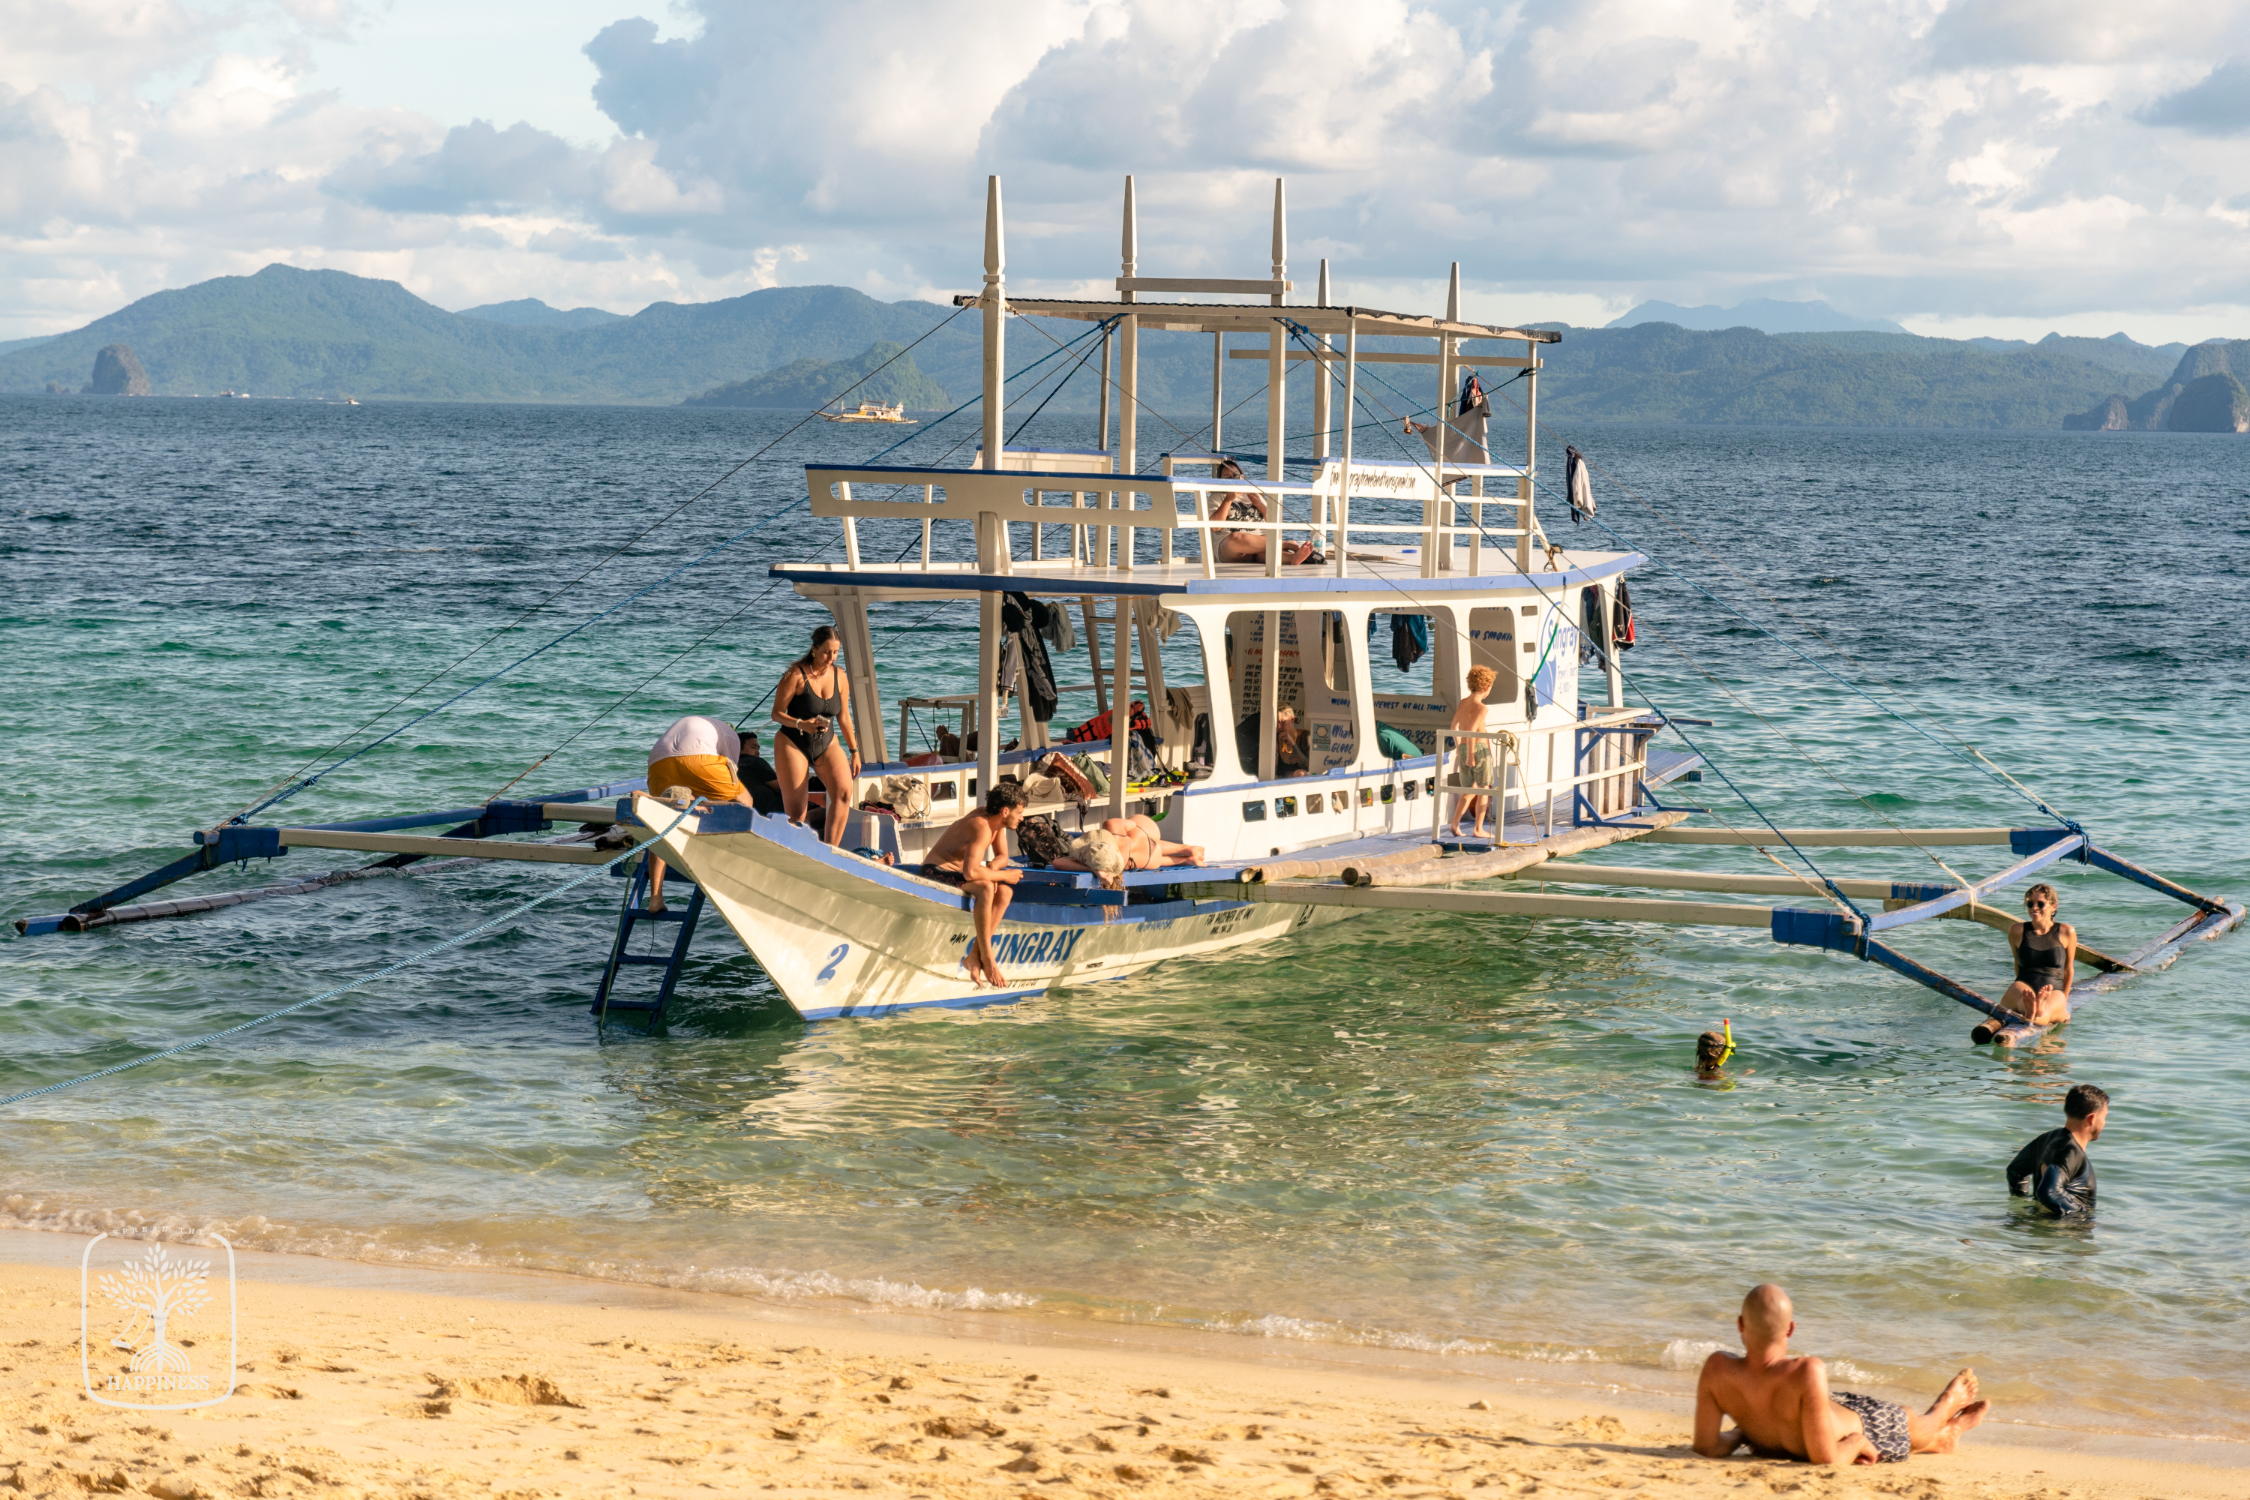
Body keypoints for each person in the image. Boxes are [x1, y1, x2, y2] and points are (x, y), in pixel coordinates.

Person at [1693, 1284, 1987, 1466]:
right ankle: (1945, 1418)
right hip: (1855, 1426)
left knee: (1907, 1420)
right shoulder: (1806, 1370)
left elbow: (1706, 1446)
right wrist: (1858, 1441)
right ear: (1791, 1329)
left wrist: (1739, 1433)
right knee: (1906, 1419)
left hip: (1836, 1411)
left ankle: (1945, 1421)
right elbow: (1827, 1458)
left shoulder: (1717, 1370)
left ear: (1740, 1324)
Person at [919, 781, 1028, 987]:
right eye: (1020, 812)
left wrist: (995, 868)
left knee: (1004, 893)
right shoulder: (982, 826)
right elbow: (970, 873)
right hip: (935, 872)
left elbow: (1003, 856)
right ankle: (987, 958)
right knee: (986, 887)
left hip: (958, 873)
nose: (1022, 818)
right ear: (1006, 811)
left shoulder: (997, 822)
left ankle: (973, 957)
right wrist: (1002, 876)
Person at [643, 713, 756, 912]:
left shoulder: (707, 726)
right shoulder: (731, 736)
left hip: (658, 763)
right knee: (744, 800)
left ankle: (655, 899)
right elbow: (731, 775)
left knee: (662, 825)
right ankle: (732, 868)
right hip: (699, 760)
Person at [771, 625, 863, 846]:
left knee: (843, 792)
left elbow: (844, 717)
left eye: (835, 652)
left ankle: (831, 851)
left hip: (827, 743)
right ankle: (793, 853)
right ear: (814, 648)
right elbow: (776, 714)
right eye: (826, 652)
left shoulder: (839, 676)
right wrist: (802, 724)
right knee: (797, 814)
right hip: (793, 743)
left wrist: (854, 751)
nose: (831, 657)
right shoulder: (795, 675)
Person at [1980, 883, 2075, 1038]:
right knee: (2019, 999)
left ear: (2053, 906)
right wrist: (2019, 984)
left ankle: (2036, 1009)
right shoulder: (2017, 930)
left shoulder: (2066, 932)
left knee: (2046, 1012)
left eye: (2040, 904)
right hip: (2024, 983)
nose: (2034, 908)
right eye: (2030, 904)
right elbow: (2017, 963)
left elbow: (2068, 969)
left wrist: (2064, 1000)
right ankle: (2032, 1009)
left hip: (2053, 988)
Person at [2007, 1082, 2107, 1217]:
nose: (2104, 1123)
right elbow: (2049, 1191)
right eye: (2104, 1117)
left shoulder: (2048, 1138)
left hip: (2045, 1231)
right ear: (2092, 1118)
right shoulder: (2072, 1152)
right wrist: (2079, 1216)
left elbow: (2015, 1171)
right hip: (2066, 1234)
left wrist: (2022, 1210)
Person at [1209, 458, 1320, 567]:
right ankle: (1287, 544)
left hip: (1260, 544)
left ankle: (1294, 559)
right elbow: (1214, 528)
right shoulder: (1217, 496)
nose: (1233, 479)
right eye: (1227, 477)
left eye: (1236, 475)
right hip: (1231, 548)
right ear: (1221, 480)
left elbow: (1273, 521)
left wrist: (1259, 505)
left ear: (1242, 476)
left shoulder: (1254, 494)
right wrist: (1228, 500)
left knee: (1265, 553)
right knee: (1236, 538)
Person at [1055, 813, 1204, 886]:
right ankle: (1186, 849)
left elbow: (1058, 863)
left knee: (1149, 851)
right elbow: (1132, 825)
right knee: (1137, 829)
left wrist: (1095, 870)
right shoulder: (1112, 827)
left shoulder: (1115, 866)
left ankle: (1185, 859)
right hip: (1146, 834)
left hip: (1149, 861)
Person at [1448, 664, 1498, 838]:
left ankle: (1455, 824)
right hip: (1477, 750)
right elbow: (1471, 731)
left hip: (1462, 747)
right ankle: (1478, 829)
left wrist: (1458, 748)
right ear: (1486, 687)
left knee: (1469, 789)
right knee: (1484, 788)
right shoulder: (1482, 707)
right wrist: (1470, 756)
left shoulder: (1463, 702)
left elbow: (1454, 726)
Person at [736, 730, 784, 815]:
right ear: (739, 747)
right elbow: (778, 785)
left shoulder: (728, 764)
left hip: (743, 810)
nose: (757, 752)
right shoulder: (755, 761)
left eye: (758, 748)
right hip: (770, 810)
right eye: (753, 747)